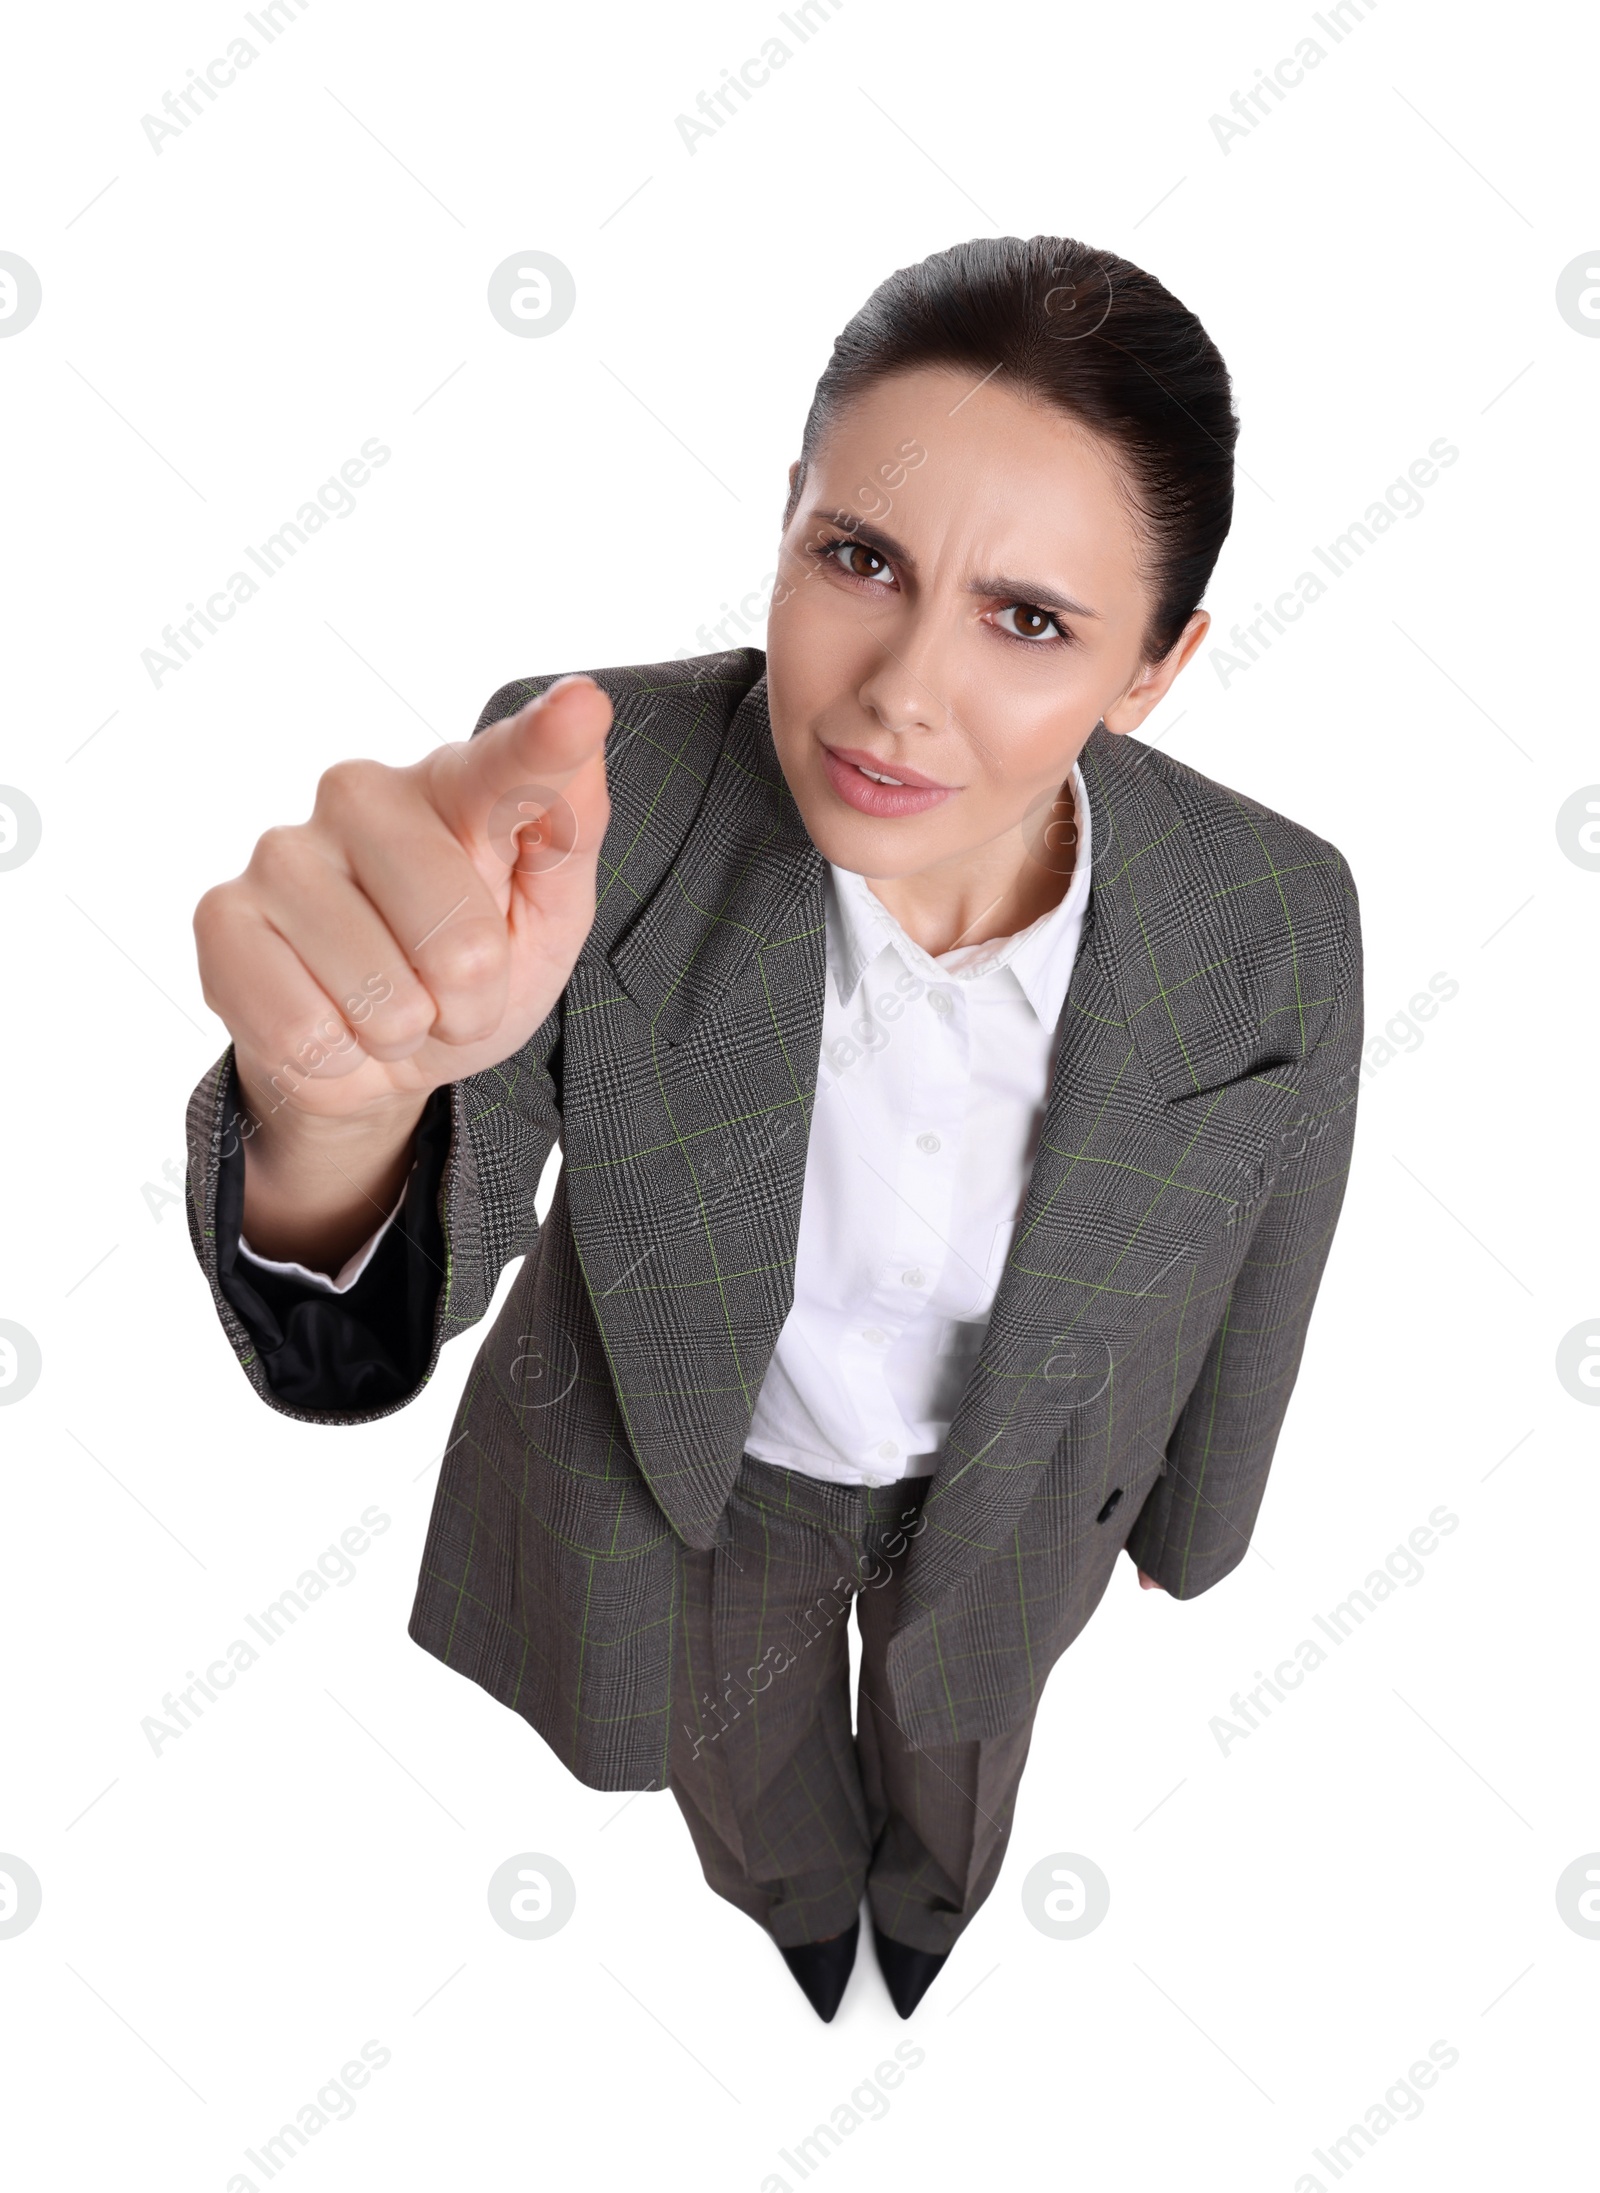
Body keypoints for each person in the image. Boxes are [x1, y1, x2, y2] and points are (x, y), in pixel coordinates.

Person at [184, 234, 1362, 2023]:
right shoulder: (612, 792)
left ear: (1156, 667)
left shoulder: (1273, 905)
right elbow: (443, 1189)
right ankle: (804, 1919)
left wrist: (1197, 1527)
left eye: (1029, 620)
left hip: (1017, 1495)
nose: (898, 688)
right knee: (753, 1790)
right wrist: (345, 1107)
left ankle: (933, 1917)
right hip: (708, 1480)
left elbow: (1273, 1244)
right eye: (861, 559)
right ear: (791, 518)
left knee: (962, 1759)